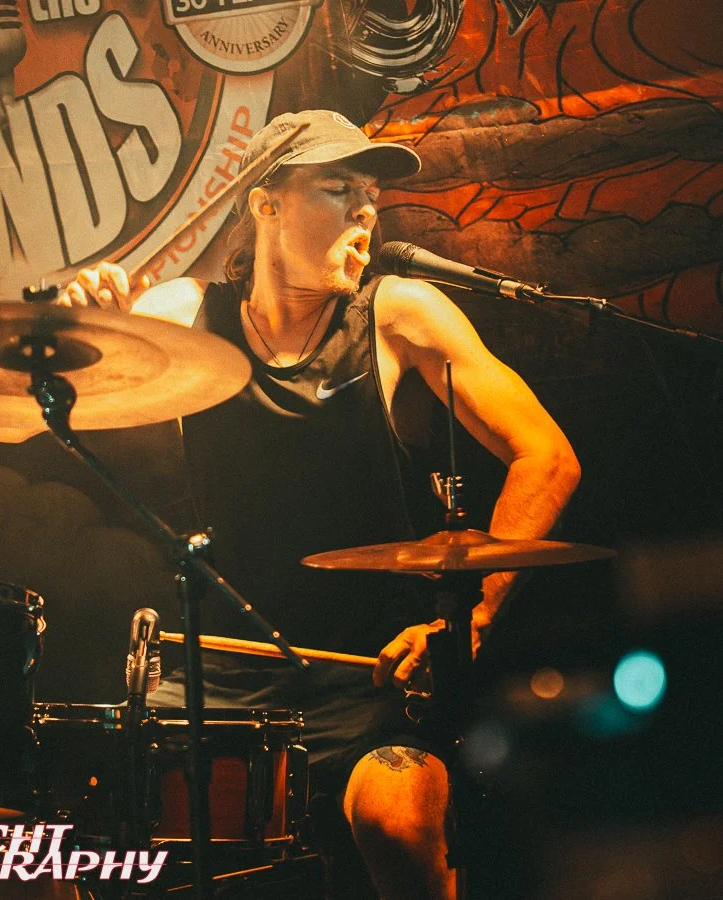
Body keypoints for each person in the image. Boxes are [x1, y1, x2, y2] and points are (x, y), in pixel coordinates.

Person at [63, 109, 581, 899]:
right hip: (219, 677)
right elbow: (10, 419)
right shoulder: (183, 315)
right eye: (339, 189)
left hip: (373, 681)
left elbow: (547, 457)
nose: (365, 212)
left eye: (371, 196)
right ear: (265, 204)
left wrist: (472, 619)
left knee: (397, 823)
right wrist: (78, 330)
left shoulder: (399, 313)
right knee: (66, 834)